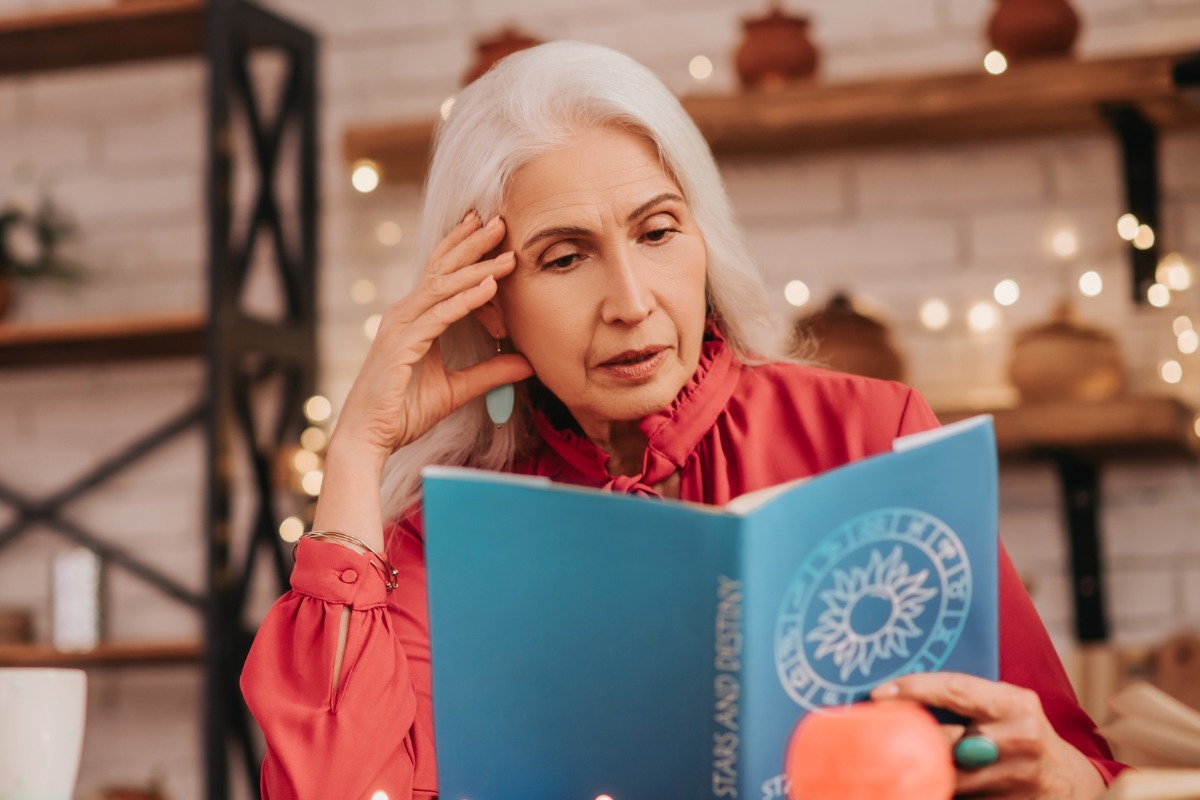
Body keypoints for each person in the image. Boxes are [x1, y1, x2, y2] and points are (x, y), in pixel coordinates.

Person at [241, 41, 1126, 800]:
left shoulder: (876, 430)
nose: (630, 302)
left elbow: (1078, 762)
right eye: (564, 257)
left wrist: (1057, 772)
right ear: (491, 302)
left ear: (702, 238)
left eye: (658, 232)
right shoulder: (444, 534)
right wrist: (356, 453)